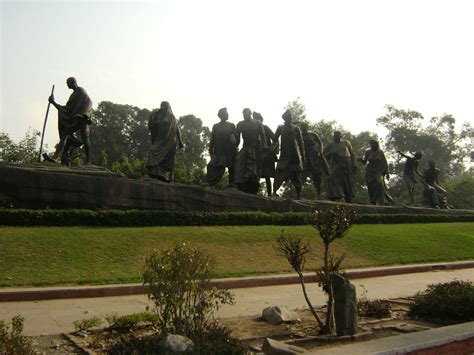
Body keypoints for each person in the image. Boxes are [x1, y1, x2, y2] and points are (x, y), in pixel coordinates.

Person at [47, 77, 92, 165]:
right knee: (64, 135)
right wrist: (53, 102)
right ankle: (55, 157)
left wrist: (84, 114)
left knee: (85, 137)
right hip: (74, 119)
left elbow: (89, 102)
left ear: (73, 82)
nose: (67, 85)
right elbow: (66, 109)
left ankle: (88, 162)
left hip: (83, 118)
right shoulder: (73, 95)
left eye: (68, 83)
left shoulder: (81, 91)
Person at [272, 110, 306, 199]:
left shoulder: (296, 129)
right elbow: (275, 140)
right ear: (285, 119)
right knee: (279, 174)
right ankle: (274, 192)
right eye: (288, 117)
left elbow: (300, 143)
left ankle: (298, 194)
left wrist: (303, 155)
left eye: (291, 117)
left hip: (294, 156)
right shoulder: (280, 128)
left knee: (296, 176)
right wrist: (273, 150)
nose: (290, 119)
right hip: (284, 156)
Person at [146, 101, 184, 183]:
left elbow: (177, 129)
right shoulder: (157, 115)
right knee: (152, 151)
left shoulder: (171, 117)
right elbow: (151, 126)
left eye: (164, 105)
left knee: (167, 161)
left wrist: (180, 141)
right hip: (160, 139)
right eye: (161, 105)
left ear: (167, 107)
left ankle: (166, 176)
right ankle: (154, 174)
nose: (162, 107)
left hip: (169, 141)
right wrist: (151, 117)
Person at [233, 108, 267, 194]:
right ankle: (239, 182)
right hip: (246, 146)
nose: (245, 116)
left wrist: (264, 146)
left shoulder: (257, 123)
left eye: (246, 114)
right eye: (243, 114)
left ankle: (253, 182)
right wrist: (233, 137)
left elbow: (263, 135)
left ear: (250, 114)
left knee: (255, 164)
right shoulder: (241, 124)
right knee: (238, 160)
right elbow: (237, 135)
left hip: (256, 147)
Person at [204, 108, 237, 187]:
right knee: (211, 165)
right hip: (219, 150)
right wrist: (211, 150)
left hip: (229, 150)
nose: (227, 114)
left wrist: (234, 136)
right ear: (221, 115)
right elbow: (213, 139)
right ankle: (209, 181)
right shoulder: (216, 126)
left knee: (231, 167)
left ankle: (231, 183)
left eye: (227, 113)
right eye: (226, 113)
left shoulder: (231, 125)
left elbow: (236, 137)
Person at [324, 131, 357, 203]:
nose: (336, 137)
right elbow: (324, 155)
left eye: (338, 135)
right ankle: (334, 196)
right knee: (332, 178)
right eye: (335, 136)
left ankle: (348, 197)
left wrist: (354, 164)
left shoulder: (346, 142)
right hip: (336, 163)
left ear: (341, 136)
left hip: (346, 163)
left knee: (347, 181)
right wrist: (330, 153)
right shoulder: (331, 145)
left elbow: (352, 153)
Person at [300, 122, 329, 199]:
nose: (302, 128)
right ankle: (298, 193)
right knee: (302, 176)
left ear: (307, 127)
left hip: (315, 157)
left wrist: (321, 152)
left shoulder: (313, 134)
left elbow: (320, 143)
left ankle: (319, 194)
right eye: (301, 126)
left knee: (317, 177)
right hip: (305, 157)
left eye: (304, 126)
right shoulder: (300, 136)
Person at [359, 139, 393, 205]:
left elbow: (385, 163)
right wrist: (360, 160)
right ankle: (372, 201)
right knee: (370, 186)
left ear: (376, 145)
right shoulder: (368, 152)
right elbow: (364, 162)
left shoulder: (380, 152)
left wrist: (387, 172)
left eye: (373, 144)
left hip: (378, 171)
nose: (372, 146)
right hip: (369, 171)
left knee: (379, 184)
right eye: (371, 144)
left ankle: (381, 200)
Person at [253, 112, 278, 196]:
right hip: (257, 153)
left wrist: (272, 150)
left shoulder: (265, 128)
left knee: (267, 175)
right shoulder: (253, 129)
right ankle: (254, 192)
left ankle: (270, 194)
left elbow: (275, 139)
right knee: (255, 174)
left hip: (267, 154)